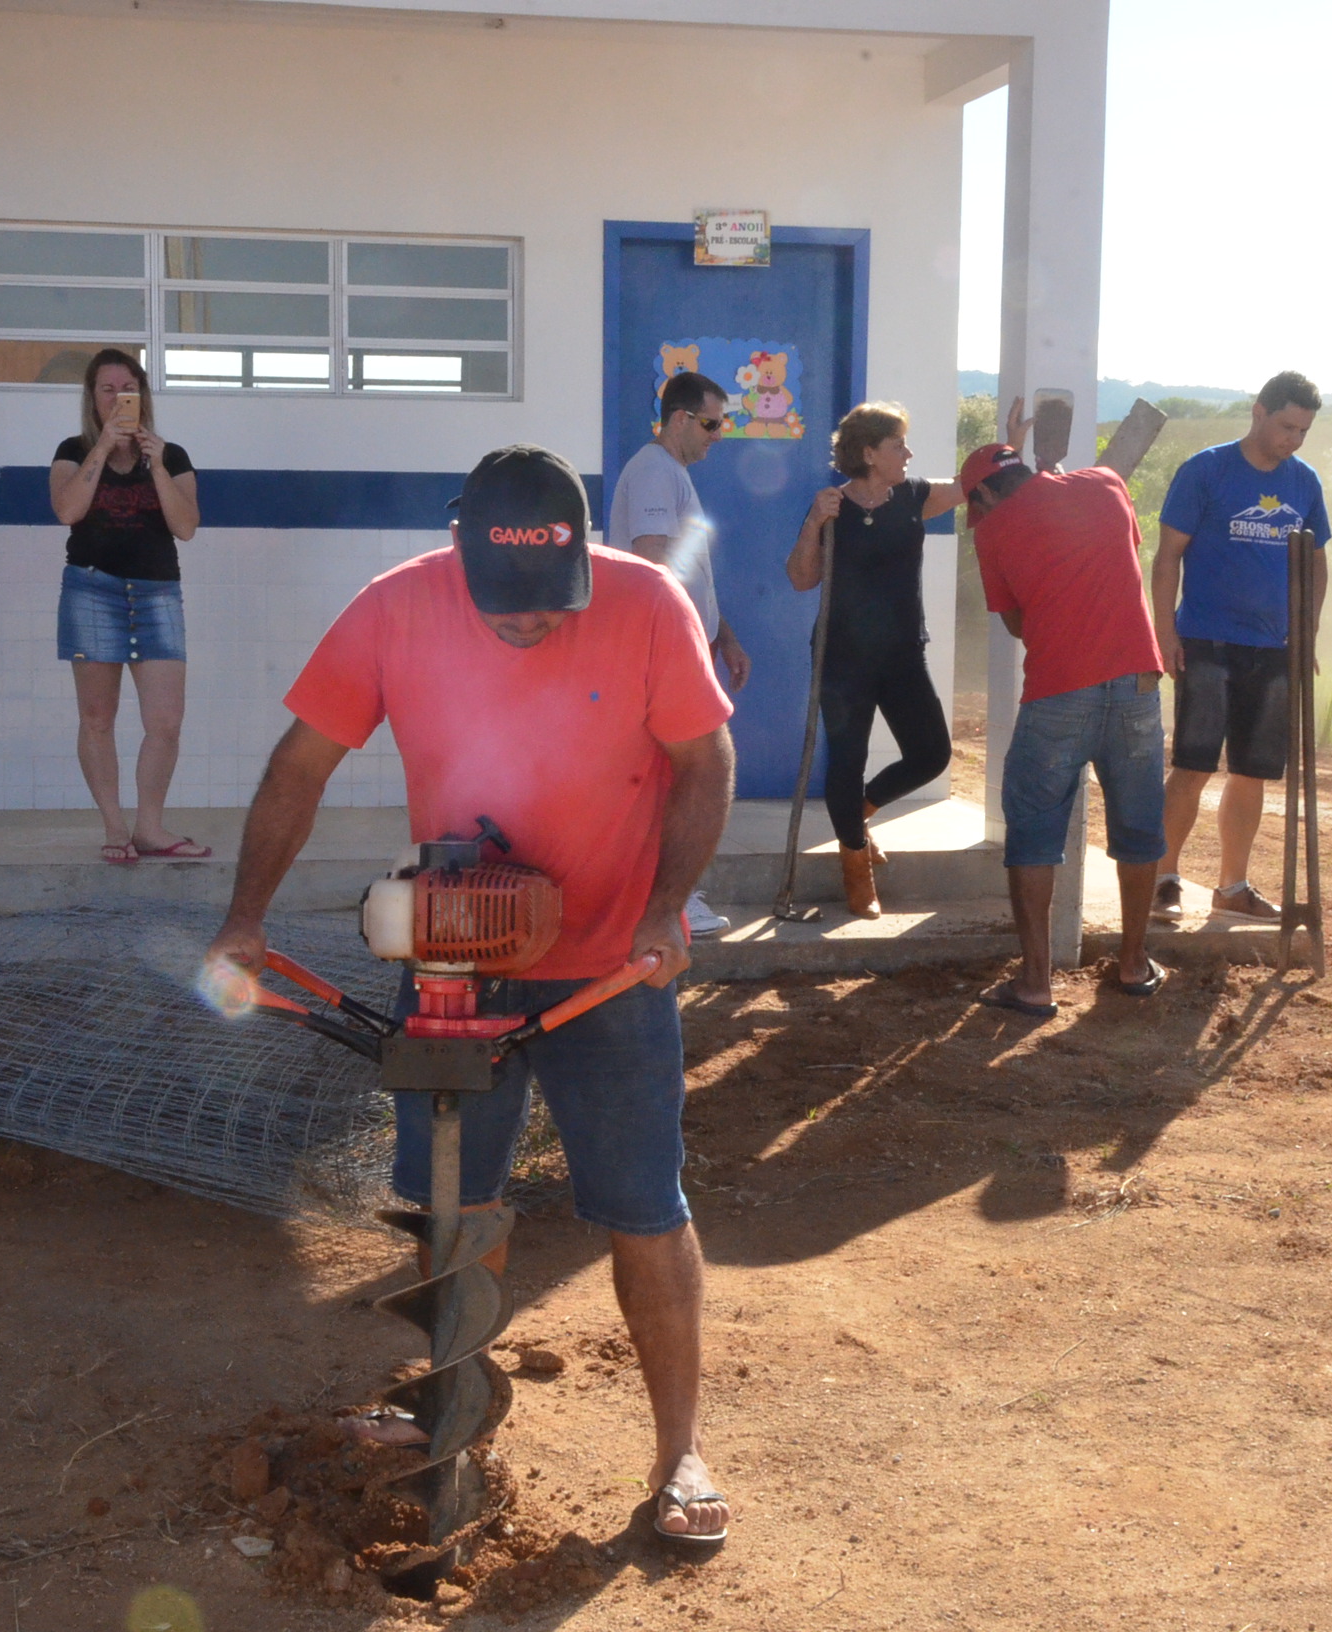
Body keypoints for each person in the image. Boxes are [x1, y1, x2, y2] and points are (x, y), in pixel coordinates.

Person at [202, 446, 737, 1552]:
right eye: (508, 603)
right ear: (461, 549)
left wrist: (663, 910)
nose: (532, 622)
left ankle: (680, 1451)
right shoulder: (392, 609)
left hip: (610, 973)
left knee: (644, 1210)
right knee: (453, 1208)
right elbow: (299, 765)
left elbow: (705, 761)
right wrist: (244, 919)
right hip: (452, 964)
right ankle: (454, 1402)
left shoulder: (647, 604)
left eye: (551, 600)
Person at [964, 397, 1169, 1018]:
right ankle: (1133, 964)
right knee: (1138, 826)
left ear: (984, 497)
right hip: (1136, 683)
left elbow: (1019, 623)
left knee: (1034, 833)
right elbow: (1119, 547)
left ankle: (1035, 983)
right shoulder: (1106, 485)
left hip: (1058, 691)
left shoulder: (993, 532)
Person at [1149, 371, 1332, 923]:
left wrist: (1305, 634)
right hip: (1206, 641)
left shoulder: (1304, 482)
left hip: (1274, 648)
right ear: (1258, 412)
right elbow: (1167, 558)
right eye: (1286, 427)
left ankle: (1232, 887)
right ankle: (1161, 880)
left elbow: (1316, 564)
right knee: (1193, 765)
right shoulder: (1206, 470)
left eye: (1303, 431)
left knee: (1253, 771)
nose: (1293, 440)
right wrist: (1164, 633)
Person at [787, 402, 959, 917]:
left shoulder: (914, 496)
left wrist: (1012, 444)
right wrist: (814, 521)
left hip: (903, 651)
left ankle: (859, 812)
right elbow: (800, 578)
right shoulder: (832, 506)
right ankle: (855, 867)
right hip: (843, 657)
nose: (908, 453)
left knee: (931, 753)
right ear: (868, 453)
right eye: (897, 445)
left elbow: (973, 483)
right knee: (848, 760)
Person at [606, 368, 751, 938]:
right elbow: (652, 566)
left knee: (679, 776)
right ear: (681, 419)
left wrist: (723, 635)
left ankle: (669, 896)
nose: (719, 436)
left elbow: (688, 575)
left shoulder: (669, 474)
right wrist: (680, 650)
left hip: (675, 648)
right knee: (685, 778)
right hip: (659, 654)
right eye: (712, 424)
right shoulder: (652, 472)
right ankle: (670, 901)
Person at [49, 348, 206, 865]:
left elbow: (185, 527)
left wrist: (154, 464)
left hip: (157, 593)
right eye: (108, 389)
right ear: (92, 398)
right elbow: (67, 510)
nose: (119, 398)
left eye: (128, 389)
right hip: (91, 591)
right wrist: (103, 448)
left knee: (166, 721)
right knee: (97, 717)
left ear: (143, 396)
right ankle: (115, 827)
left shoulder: (171, 455)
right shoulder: (73, 451)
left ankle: (150, 827)